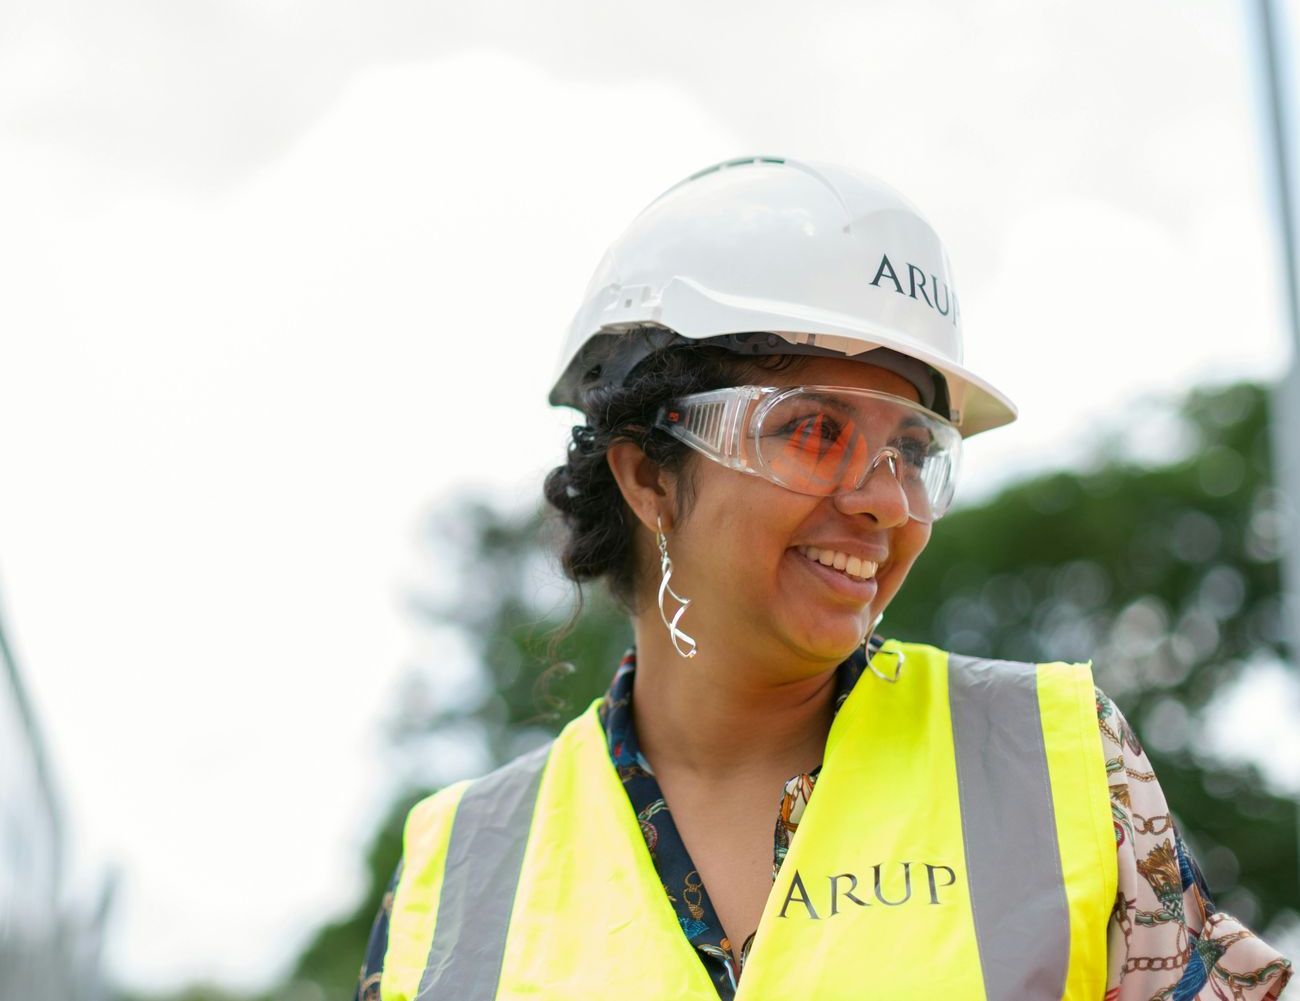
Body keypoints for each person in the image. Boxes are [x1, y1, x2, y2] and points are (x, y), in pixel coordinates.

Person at [356, 156, 1293, 1000]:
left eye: (915, 449)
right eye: (813, 430)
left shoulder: (1055, 765)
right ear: (646, 474)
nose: (889, 501)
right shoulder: (456, 881)